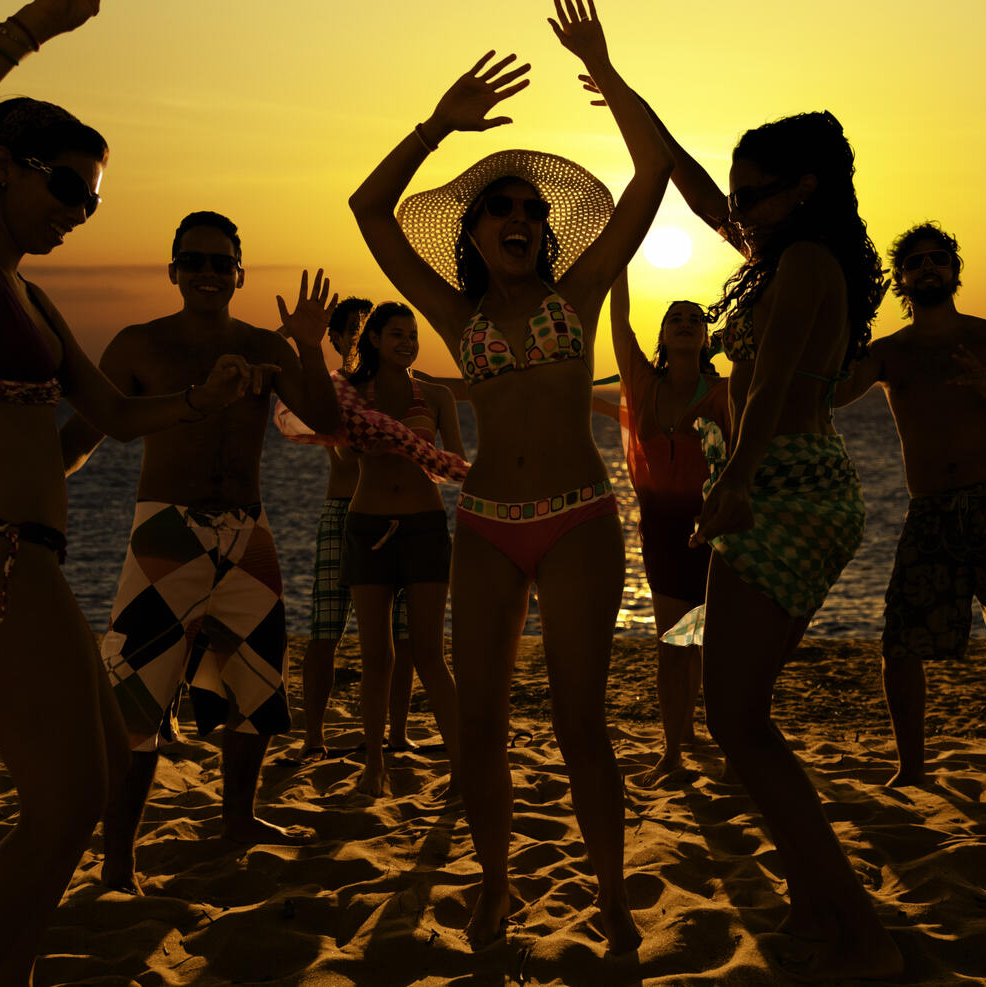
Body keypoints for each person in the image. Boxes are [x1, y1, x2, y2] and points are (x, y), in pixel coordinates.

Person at [0, 4, 268, 981]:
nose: (79, 211)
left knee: (111, 771)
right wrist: (30, 28)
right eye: (70, 185)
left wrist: (197, 399)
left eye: (91, 198)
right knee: (63, 807)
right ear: (5, 163)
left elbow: (111, 422)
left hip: (22, 554)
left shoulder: (28, 297)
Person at [348, 0, 670, 952]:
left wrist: (606, 72)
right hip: (485, 523)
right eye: (504, 207)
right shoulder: (453, 315)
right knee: (479, 722)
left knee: (580, 719)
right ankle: (496, 884)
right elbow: (368, 208)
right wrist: (437, 126)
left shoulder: (579, 292)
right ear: (476, 233)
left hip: (576, 518)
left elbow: (650, 172)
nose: (523, 217)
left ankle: (610, 895)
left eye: (534, 209)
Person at [632, 90, 905, 977]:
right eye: (739, 197)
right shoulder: (784, 247)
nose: (736, 211)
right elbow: (688, 180)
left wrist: (736, 483)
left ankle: (858, 925)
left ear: (804, 189)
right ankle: (819, 907)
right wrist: (613, 77)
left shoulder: (805, 264)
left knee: (739, 721)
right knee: (742, 717)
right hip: (789, 485)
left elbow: (778, 380)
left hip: (786, 487)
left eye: (753, 196)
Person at [60, 210, 343, 894]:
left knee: (253, 685)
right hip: (166, 533)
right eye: (196, 262)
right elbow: (83, 435)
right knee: (136, 700)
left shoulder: (261, 349)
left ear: (239, 273)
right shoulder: (139, 344)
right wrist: (15, 486)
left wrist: (308, 344)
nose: (209, 273)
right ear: (174, 271)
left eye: (222, 263)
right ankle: (119, 855)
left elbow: (329, 425)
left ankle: (238, 818)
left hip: (248, 531)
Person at [836, 222, 986, 799]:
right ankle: (912, 769)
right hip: (930, 510)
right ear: (901, 280)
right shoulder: (889, 352)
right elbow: (832, 392)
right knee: (900, 643)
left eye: (939, 259)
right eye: (916, 262)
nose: (929, 268)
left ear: (956, 271)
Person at [337, 302, 464, 796]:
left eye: (412, 334)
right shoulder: (351, 394)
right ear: (373, 340)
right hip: (367, 525)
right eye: (396, 334)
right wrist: (366, 430)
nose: (407, 342)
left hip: (425, 526)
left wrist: (416, 446)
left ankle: (460, 768)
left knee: (431, 653)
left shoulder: (434, 395)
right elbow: (345, 454)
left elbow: (454, 462)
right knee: (377, 657)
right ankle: (373, 767)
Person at [606, 270, 728, 784]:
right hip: (661, 532)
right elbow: (618, 320)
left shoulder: (726, 391)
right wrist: (621, 260)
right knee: (672, 643)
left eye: (694, 319)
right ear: (662, 337)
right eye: (674, 318)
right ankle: (673, 751)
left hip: (717, 532)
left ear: (705, 337)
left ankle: (693, 734)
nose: (684, 324)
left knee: (700, 640)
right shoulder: (642, 383)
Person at [295, 297, 419, 760]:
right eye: (348, 329)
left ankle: (398, 733)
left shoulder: (392, 383)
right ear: (336, 337)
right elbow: (344, 450)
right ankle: (313, 738)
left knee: (403, 635)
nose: (354, 336)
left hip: (397, 514)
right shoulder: (336, 388)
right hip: (343, 513)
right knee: (325, 630)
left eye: (361, 329)